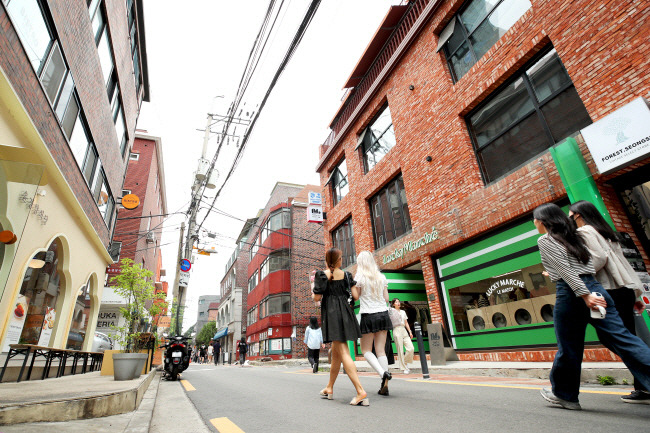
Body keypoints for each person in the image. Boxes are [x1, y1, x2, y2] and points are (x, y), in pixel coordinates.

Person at [533, 203, 650, 410]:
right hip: (596, 287)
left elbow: (566, 271)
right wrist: (589, 290)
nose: (534, 223)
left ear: (542, 221)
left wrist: (584, 295)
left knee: (569, 346)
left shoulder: (545, 240)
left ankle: (565, 395)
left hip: (572, 293)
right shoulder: (575, 237)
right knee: (624, 338)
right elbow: (588, 267)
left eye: (534, 219)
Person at [569, 200, 649, 403]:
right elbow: (623, 264)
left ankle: (645, 384)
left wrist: (572, 273)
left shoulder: (585, 232)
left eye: (570, 215)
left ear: (578, 215)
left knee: (618, 339)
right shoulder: (606, 232)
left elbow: (596, 260)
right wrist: (636, 294)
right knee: (627, 337)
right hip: (624, 289)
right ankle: (643, 386)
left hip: (607, 290)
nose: (569, 219)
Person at [312, 248, 368, 406]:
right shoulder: (347, 275)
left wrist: (316, 289)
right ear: (337, 260)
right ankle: (329, 387)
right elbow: (355, 296)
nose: (342, 260)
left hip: (332, 313)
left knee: (343, 351)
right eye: (341, 258)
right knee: (336, 353)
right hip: (345, 312)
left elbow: (317, 297)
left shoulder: (322, 275)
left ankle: (360, 391)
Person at [353, 251, 393, 396]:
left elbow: (356, 297)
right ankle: (385, 383)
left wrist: (352, 287)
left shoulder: (360, 277)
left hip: (368, 315)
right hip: (383, 314)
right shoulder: (381, 277)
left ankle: (383, 373)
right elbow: (387, 298)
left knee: (366, 350)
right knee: (381, 350)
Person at [390, 298, 414, 374]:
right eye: (396, 302)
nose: (398, 303)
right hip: (396, 330)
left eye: (399, 302)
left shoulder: (403, 312)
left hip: (404, 330)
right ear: (393, 304)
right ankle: (404, 367)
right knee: (400, 350)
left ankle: (405, 362)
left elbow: (406, 323)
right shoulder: (391, 312)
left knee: (411, 348)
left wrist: (410, 331)